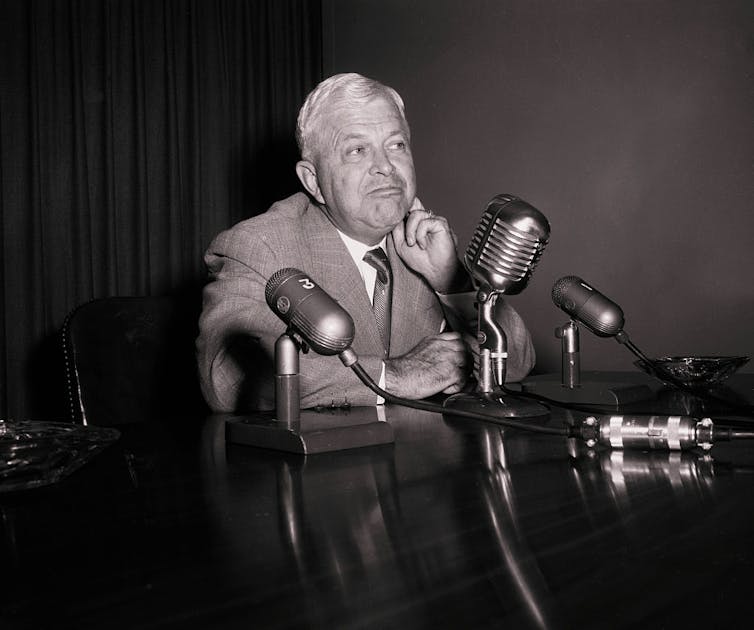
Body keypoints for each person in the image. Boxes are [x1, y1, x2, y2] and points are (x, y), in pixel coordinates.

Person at [196, 72, 534, 412]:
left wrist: (452, 281)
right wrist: (396, 376)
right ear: (312, 181)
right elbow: (228, 379)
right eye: (358, 150)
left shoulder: (423, 241)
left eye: (396, 145)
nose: (385, 167)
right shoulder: (259, 245)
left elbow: (516, 364)